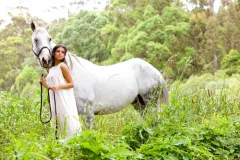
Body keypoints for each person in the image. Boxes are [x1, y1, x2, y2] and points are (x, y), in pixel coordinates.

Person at [40, 44, 81, 140]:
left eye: (63, 52)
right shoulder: (51, 69)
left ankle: (73, 141)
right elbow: (51, 88)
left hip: (63, 98)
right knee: (57, 120)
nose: (60, 53)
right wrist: (44, 83)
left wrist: (58, 86)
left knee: (67, 118)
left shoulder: (63, 66)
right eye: (58, 51)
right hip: (55, 100)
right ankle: (60, 141)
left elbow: (71, 84)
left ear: (64, 55)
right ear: (53, 53)